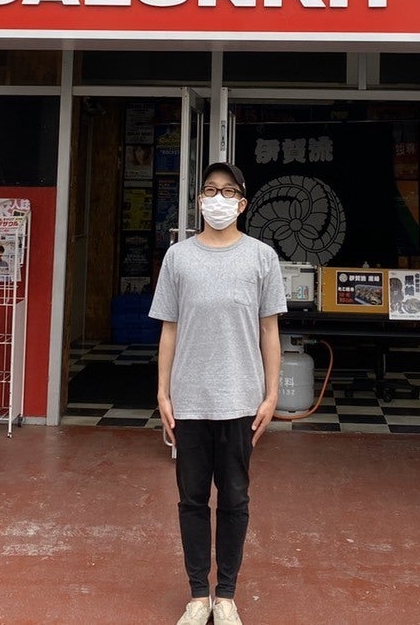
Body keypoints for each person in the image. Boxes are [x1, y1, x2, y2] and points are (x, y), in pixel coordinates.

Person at [150, 161, 287, 625]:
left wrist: (270, 395)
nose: (218, 199)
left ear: (242, 203)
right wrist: (163, 392)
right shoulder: (178, 258)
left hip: (241, 401)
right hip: (188, 400)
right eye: (210, 190)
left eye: (228, 192)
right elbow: (169, 329)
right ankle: (197, 595)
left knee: (234, 500)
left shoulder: (262, 257)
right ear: (199, 201)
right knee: (191, 500)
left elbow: (270, 331)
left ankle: (225, 595)